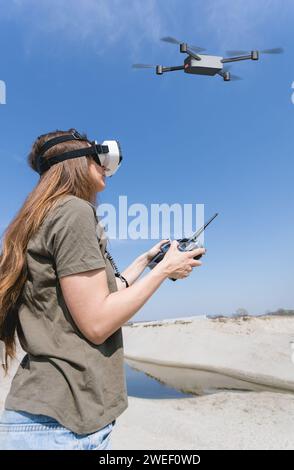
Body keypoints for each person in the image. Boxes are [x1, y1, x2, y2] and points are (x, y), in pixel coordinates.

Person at [0, 128, 205, 450]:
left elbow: (96, 296)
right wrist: (166, 270)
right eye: (98, 160)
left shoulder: (43, 214)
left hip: (47, 416)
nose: (106, 169)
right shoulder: (74, 211)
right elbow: (96, 323)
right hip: (63, 422)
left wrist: (146, 261)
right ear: (76, 162)